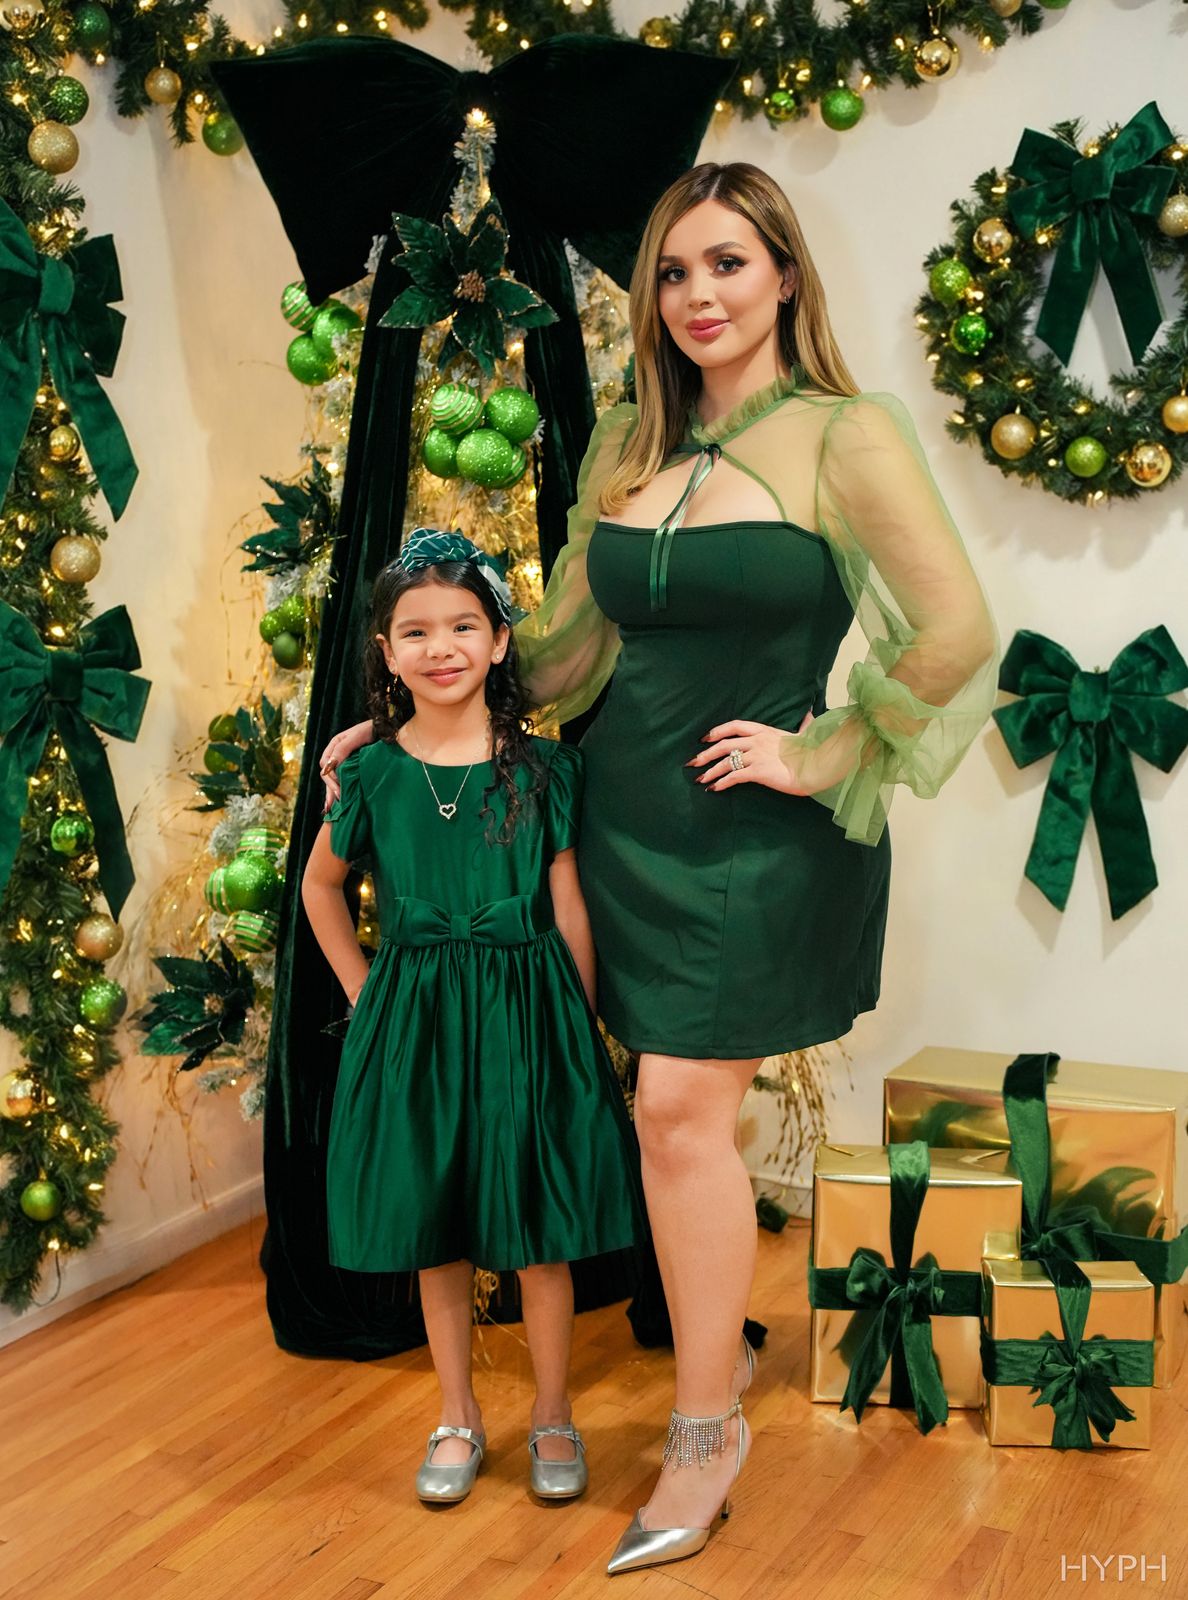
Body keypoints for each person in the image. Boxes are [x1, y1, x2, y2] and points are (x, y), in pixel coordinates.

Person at [320, 162, 998, 1573]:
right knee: (671, 1122)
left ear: (786, 275)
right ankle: (707, 1363)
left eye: (728, 263)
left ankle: (704, 1434)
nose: (698, 295)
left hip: (754, 838)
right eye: (674, 272)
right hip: (615, 822)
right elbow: (565, 650)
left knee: (678, 1112)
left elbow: (954, 632)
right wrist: (410, 721)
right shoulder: (631, 440)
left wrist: (821, 749)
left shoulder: (846, 435)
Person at [302, 528, 646, 1507]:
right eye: (415, 631)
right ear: (386, 651)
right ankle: (456, 1413)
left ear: (499, 642)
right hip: (414, 1020)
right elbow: (321, 889)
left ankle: (553, 1412)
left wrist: (582, 1025)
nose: (440, 646)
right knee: (437, 1226)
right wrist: (365, 990)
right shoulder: (371, 775)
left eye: (463, 625)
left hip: (529, 1014)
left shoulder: (545, 770)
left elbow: (569, 902)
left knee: (539, 1232)